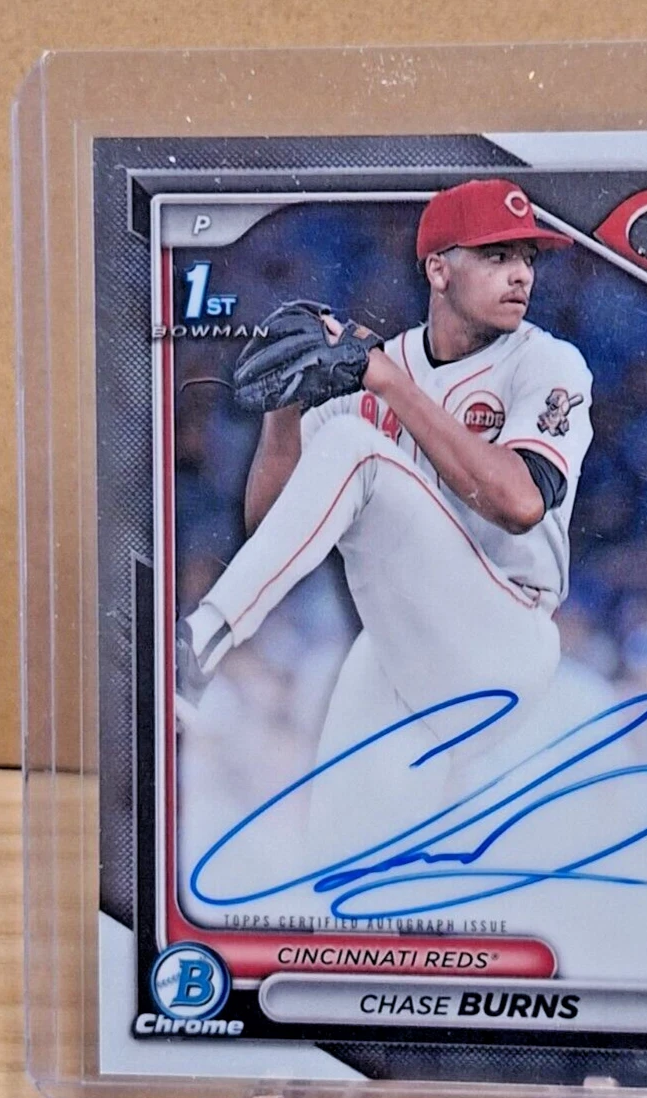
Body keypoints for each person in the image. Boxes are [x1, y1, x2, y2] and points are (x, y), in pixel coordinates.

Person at [176, 179, 594, 819]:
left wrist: (390, 385)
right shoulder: (379, 366)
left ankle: (201, 642)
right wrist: (284, 411)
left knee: (357, 445)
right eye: (497, 255)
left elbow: (520, 504)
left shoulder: (547, 363)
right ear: (439, 270)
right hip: (401, 644)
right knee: (334, 844)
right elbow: (270, 527)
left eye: (527, 258)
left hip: (504, 635)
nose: (521, 275)